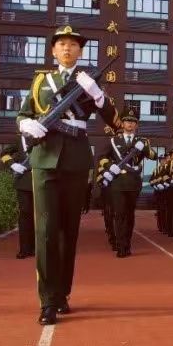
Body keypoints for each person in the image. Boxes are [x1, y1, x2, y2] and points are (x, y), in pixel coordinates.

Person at [16, 25, 119, 325]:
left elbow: (115, 120)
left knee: (68, 231)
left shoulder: (88, 81)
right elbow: (23, 113)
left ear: (80, 51)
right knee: (46, 230)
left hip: (75, 160)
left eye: (73, 45)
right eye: (62, 44)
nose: (67, 48)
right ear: (53, 50)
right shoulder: (40, 81)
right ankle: (47, 300)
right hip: (44, 159)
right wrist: (26, 125)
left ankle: (62, 293)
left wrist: (97, 95)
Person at [99, 109, 156, 258]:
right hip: (118, 182)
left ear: (136, 125)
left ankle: (127, 243)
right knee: (119, 214)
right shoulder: (113, 141)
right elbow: (102, 158)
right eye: (127, 121)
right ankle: (121, 246)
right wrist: (109, 166)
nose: (130, 124)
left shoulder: (142, 141)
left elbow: (153, 156)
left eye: (133, 122)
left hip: (133, 183)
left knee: (129, 215)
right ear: (122, 124)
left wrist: (145, 147)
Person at [0, 139, 35, 259]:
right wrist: (13, 164)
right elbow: (3, 154)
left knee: (41, 216)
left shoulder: (45, 136)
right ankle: (25, 248)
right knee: (25, 215)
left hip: (42, 182)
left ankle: (38, 248)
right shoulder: (20, 141)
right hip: (24, 182)